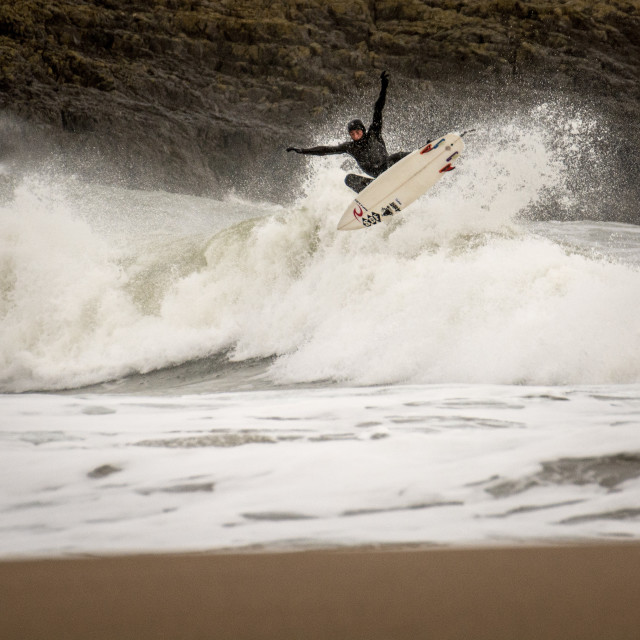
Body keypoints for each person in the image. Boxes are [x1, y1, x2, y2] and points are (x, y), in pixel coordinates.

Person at [286, 71, 410, 193]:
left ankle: (426, 150)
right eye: (352, 134)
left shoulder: (374, 133)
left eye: (357, 132)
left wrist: (384, 88)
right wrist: (303, 151)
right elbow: (325, 150)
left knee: (397, 155)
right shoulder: (350, 147)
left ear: (363, 130)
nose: (355, 136)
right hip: (376, 181)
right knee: (349, 179)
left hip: (388, 168)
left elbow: (378, 109)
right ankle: (374, 194)